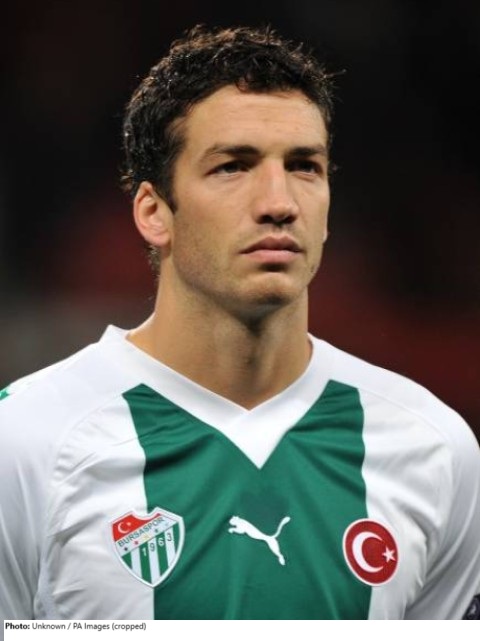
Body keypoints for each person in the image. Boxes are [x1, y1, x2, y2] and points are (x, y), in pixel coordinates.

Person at [0, 25, 479, 621]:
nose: (279, 203)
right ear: (153, 213)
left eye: (304, 166)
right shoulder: (26, 440)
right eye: (233, 166)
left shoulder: (433, 446)